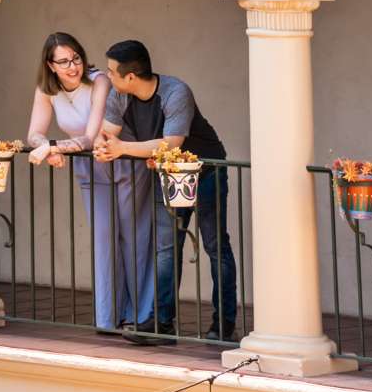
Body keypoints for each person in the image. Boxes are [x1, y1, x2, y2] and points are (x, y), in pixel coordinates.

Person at [95, 39, 238, 341]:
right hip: (168, 172)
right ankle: (162, 323)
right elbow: (108, 135)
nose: (107, 77)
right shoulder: (118, 96)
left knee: (214, 246)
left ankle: (222, 326)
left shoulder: (175, 92)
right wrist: (105, 146)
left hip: (206, 170)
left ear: (130, 76)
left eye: (111, 72)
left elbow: (172, 143)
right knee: (165, 247)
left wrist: (126, 149)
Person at [22, 31, 132, 336]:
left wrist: (54, 148)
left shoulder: (99, 82)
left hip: (118, 162)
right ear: (50, 65)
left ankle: (137, 315)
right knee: (104, 237)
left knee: (131, 237)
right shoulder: (47, 90)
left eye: (76, 58)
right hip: (89, 170)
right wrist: (45, 148)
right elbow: (34, 134)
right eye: (64, 61)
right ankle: (108, 318)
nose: (73, 66)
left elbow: (90, 137)